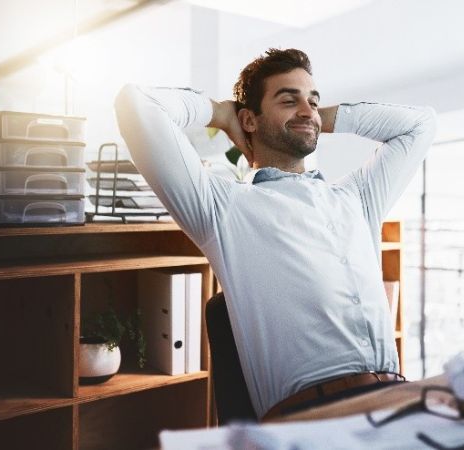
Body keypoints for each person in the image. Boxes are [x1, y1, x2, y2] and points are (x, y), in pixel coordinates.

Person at [115, 48, 436, 420]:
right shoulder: (224, 207)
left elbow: (422, 125)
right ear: (249, 120)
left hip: (397, 403)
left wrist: (317, 118)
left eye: (313, 101)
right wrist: (221, 113)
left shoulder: (357, 197)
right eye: (288, 99)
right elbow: (136, 105)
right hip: (311, 419)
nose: (307, 109)